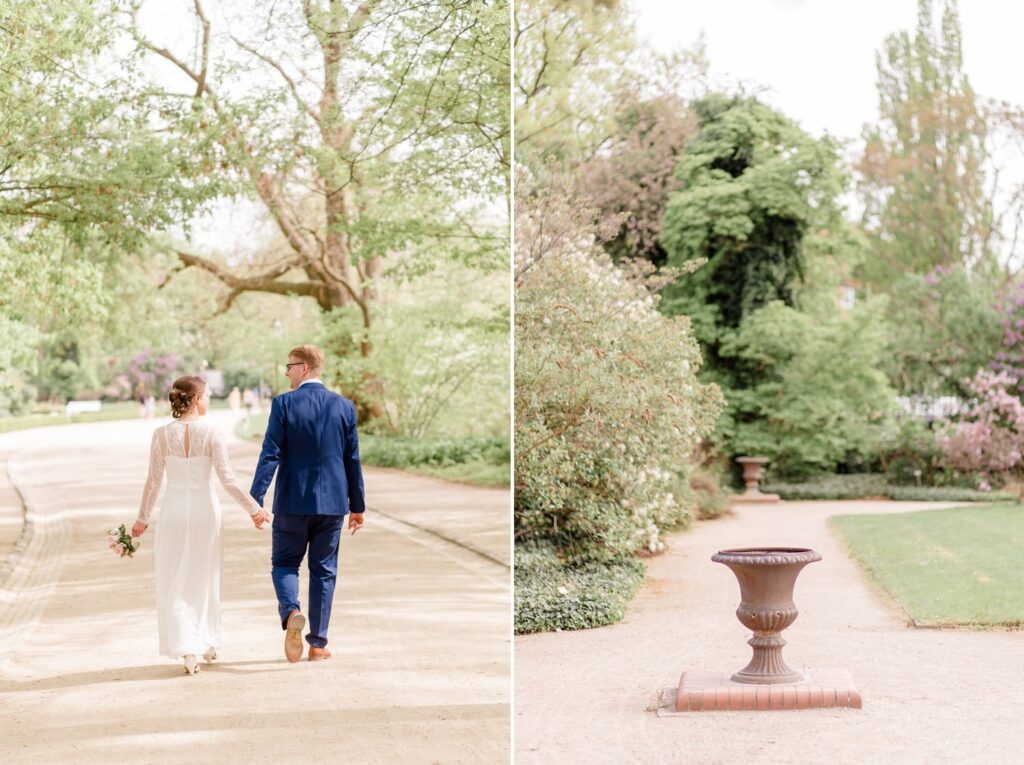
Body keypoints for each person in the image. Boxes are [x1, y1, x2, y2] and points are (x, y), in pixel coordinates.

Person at [132, 375, 269, 675]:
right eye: (206, 396)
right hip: (206, 512)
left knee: (175, 578)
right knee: (204, 576)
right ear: (195, 399)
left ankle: (190, 647)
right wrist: (254, 509)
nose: (208, 400)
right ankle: (203, 640)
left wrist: (142, 518)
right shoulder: (212, 433)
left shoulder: (161, 435)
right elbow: (228, 479)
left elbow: (154, 481)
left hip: (174, 512)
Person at [249, 344, 365, 663]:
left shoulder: (284, 404)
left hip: (292, 501)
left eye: (289, 366)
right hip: (333, 503)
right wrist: (358, 506)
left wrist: (256, 498)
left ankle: (291, 612)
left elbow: (270, 453)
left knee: (285, 563)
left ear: (303, 367)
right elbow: (352, 459)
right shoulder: (344, 406)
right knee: (324, 571)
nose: (286, 372)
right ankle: (317, 644)